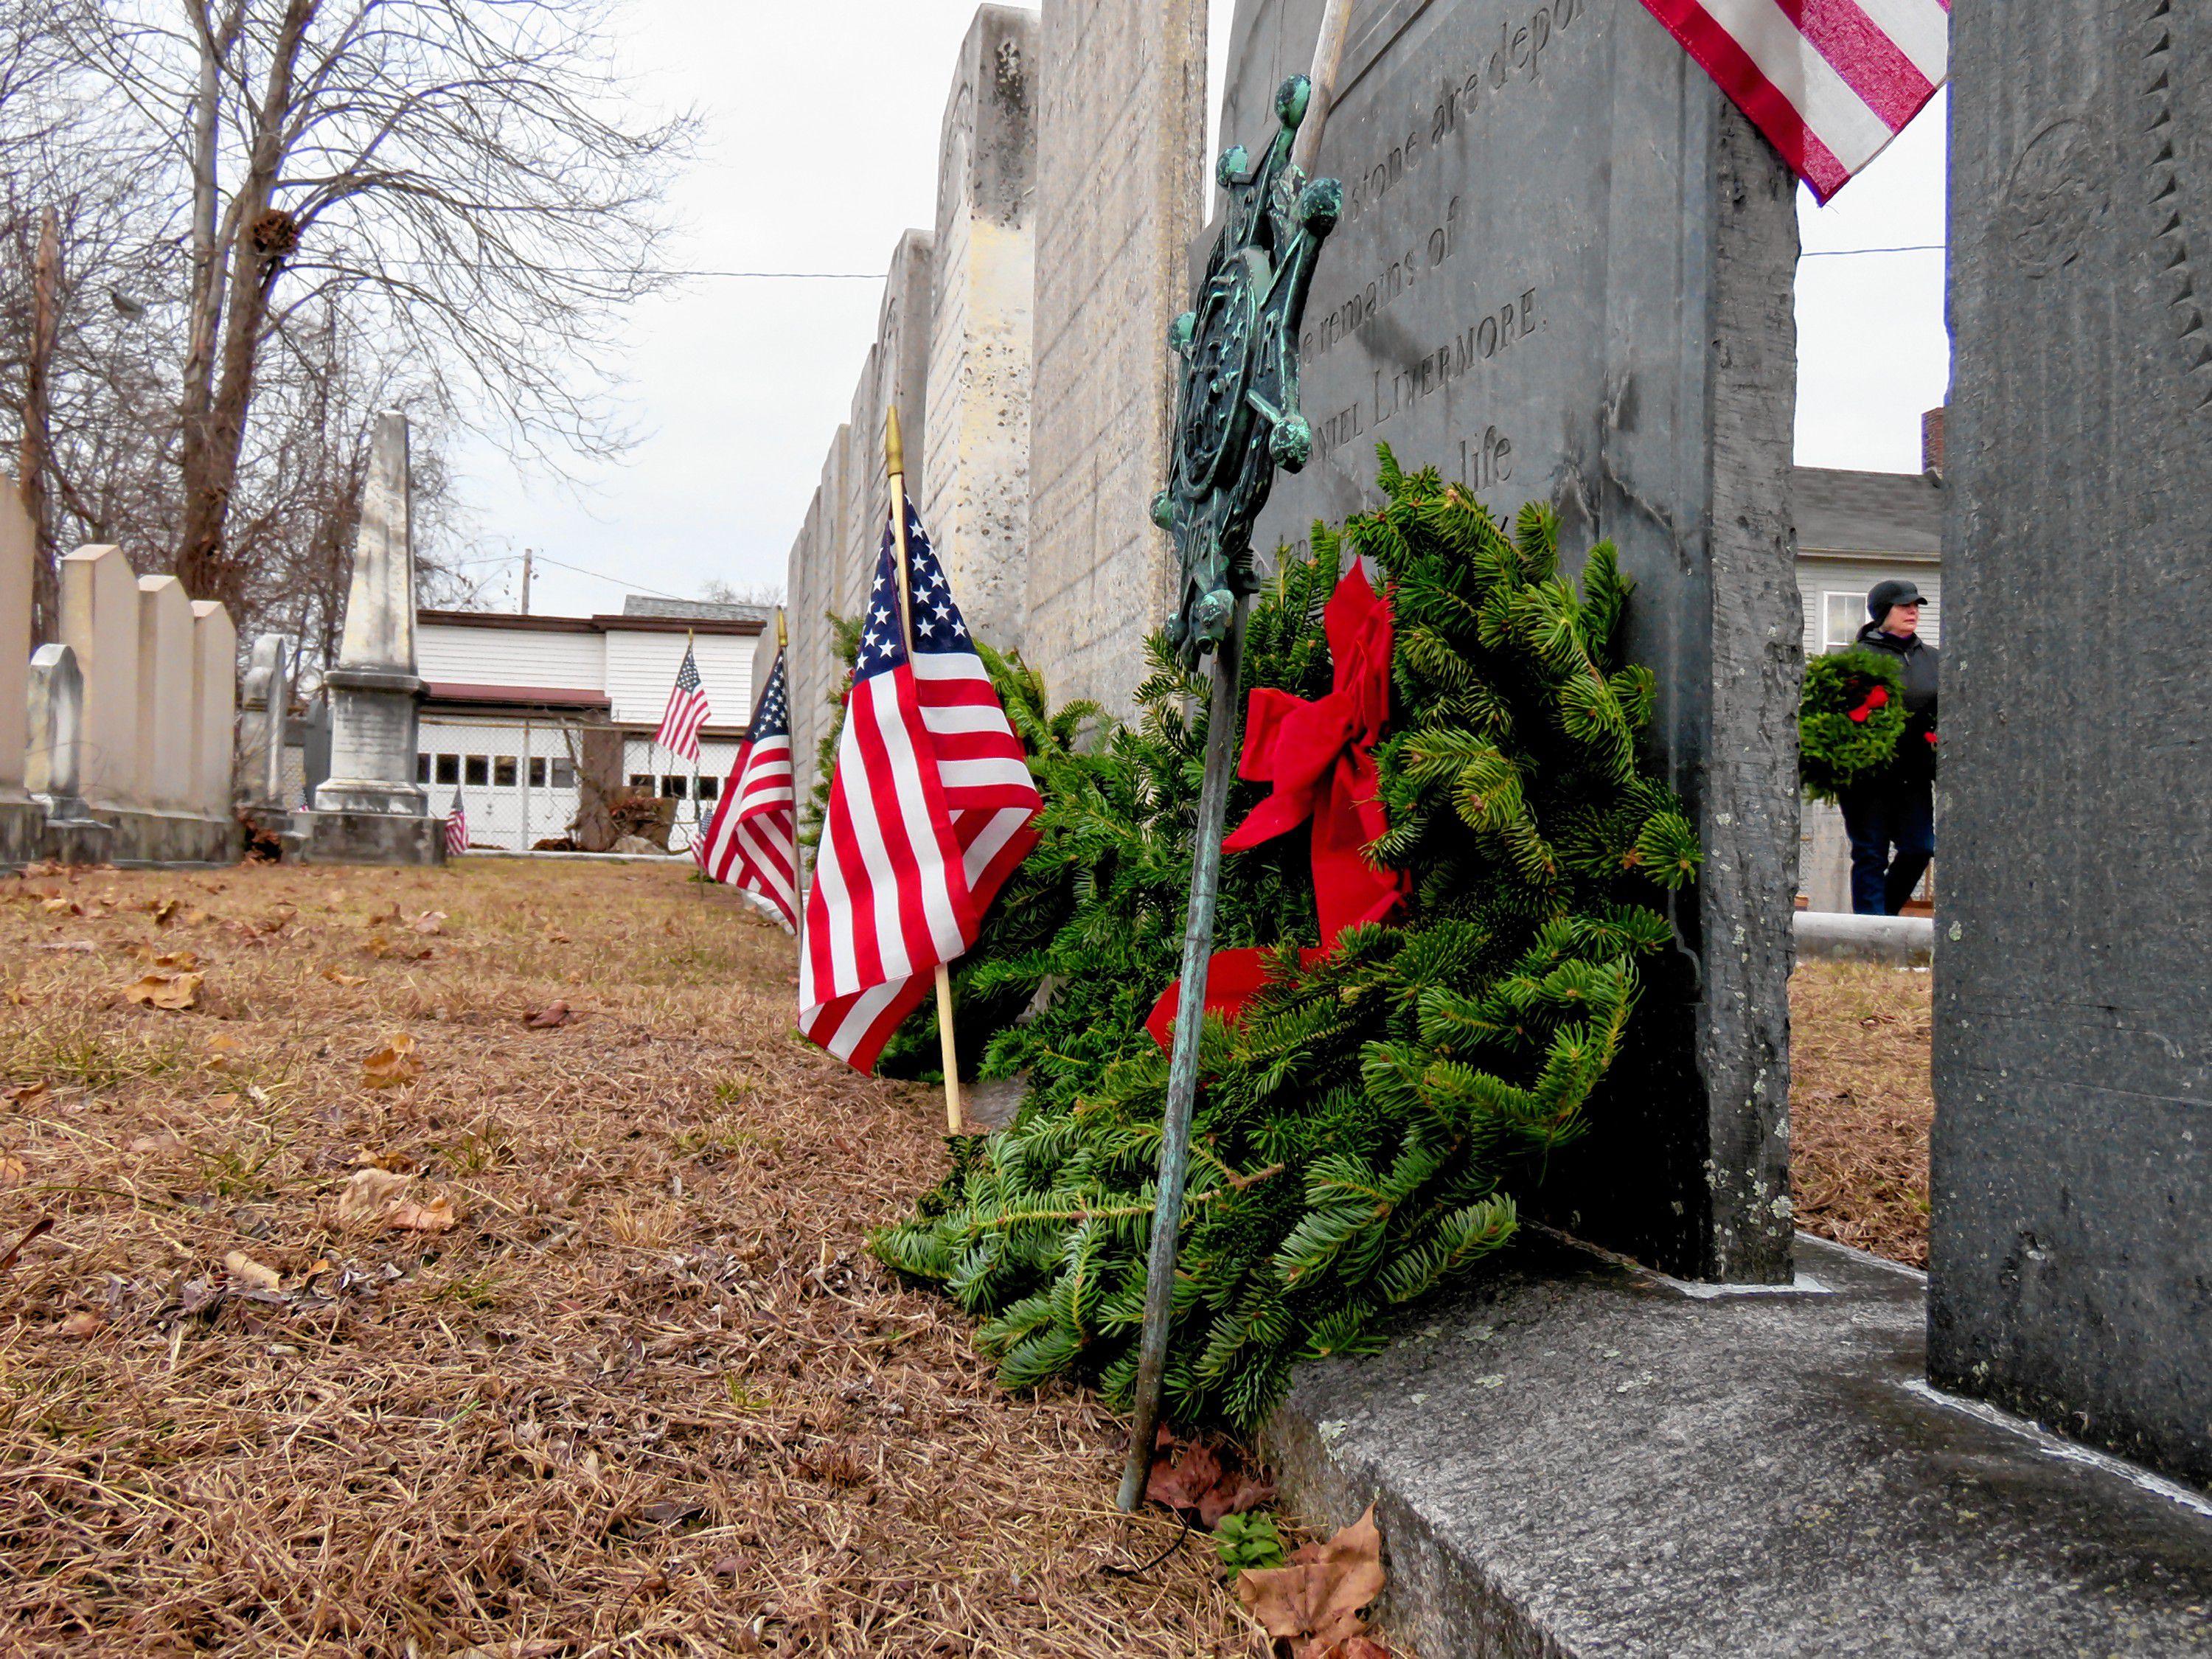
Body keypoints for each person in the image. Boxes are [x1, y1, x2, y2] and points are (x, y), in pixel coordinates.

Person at [1838, 579, 1938, 915]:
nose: (1913, 611)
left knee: (1920, 848)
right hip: (1866, 778)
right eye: (1904, 606)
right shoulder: (1854, 660)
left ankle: (1883, 922)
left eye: (1916, 606)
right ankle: (1870, 936)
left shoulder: (1935, 661)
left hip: (1915, 776)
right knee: (1870, 854)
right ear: (1883, 612)